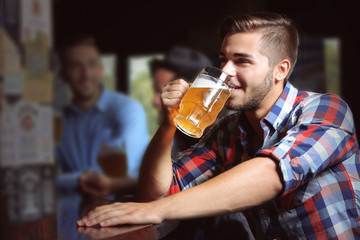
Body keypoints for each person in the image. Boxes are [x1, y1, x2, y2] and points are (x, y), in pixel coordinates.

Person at [77, 12, 360, 239]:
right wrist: (168, 126)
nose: (225, 73)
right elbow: (158, 191)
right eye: (223, 59)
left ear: (280, 70)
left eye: (241, 61)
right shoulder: (226, 131)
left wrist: (154, 211)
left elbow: (273, 173)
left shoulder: (327, 110)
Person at [56, 35, 149, 197]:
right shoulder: (60, 121)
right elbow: (46, 178)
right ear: (64, 73)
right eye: (76, 67)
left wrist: (71, 181)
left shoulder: (127, 109)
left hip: (123, 210)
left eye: (92, 64)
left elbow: (123, 174)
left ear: (101, 69)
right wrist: (77, 180)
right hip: (71, 216)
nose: (86, 74)